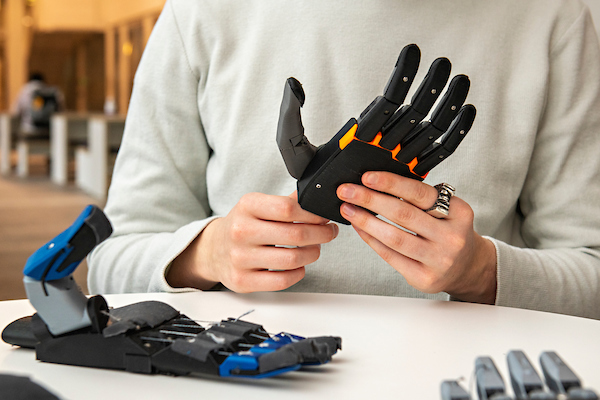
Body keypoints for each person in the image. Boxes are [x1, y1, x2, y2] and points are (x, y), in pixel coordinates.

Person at [88, 0, 600, 319]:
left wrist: (481, 271)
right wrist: (207, 254)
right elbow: (108, 264)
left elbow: (591, 275)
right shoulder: (202, 12)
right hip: (243, 374)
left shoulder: (554, 16)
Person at [11, 73, 64, 138]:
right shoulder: (53, 92)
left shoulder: (25, 91)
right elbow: (61, 111)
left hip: (29, 129)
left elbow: (15, 111)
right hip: (50, 131)